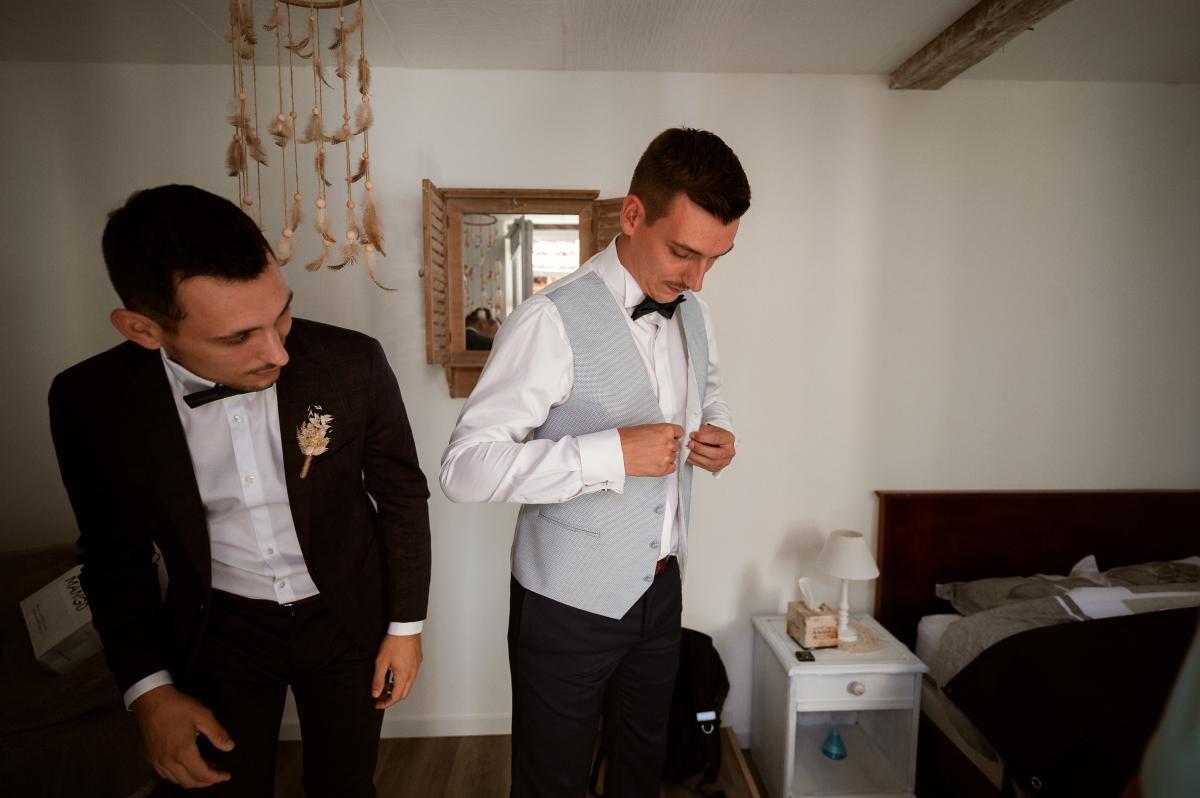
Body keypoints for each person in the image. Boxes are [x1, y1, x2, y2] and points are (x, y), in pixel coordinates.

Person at [48, 185, 431, 797]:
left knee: (347, 785)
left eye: (282, 314)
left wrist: (405, 627)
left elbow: (403, 496)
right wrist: (149, 691)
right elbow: (113, 557)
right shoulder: (91, 401)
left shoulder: (351, 362)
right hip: (217, 628)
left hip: (347, 618)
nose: (278, 352)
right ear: (143, 329)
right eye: (237, 337)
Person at [440, 127, 750, 797]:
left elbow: (710, 391)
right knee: (550, 782)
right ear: (633, 215)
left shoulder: (695, 312)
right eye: (683, 253)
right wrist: (607, 453)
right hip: (564, 603)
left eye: (715, 259)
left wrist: (720, 430)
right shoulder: (547, 321)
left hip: (661, 589)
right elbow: (464, 467)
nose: (697, 280)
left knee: (641, 769)